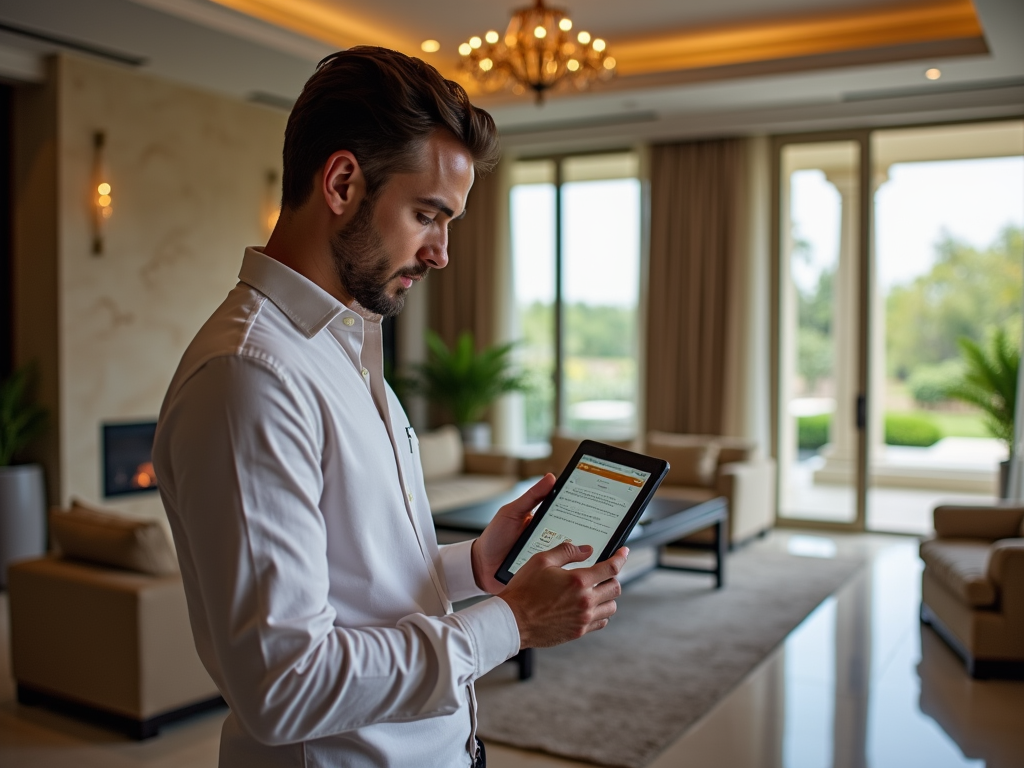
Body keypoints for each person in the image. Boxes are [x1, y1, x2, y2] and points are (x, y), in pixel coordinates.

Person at [152, 46, 627, 768]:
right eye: (427, 214)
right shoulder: (249, 377)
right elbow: (284, 686)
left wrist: (475, 564)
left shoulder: (345, 347)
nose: (440, 253)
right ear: (343, 182)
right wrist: (512, 621)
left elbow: (355, 577)